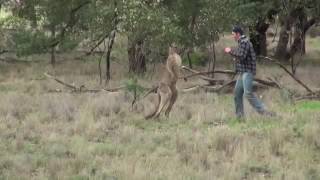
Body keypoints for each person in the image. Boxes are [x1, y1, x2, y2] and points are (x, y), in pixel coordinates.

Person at [224, 26, 274, 120]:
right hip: (243, 72)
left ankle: (266, 113)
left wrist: (230, 51)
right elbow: (241, 58)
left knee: (248, 94)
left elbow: (241, 56)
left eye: (233, 34)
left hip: (248, 72)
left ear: (238, 34)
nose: (233, 37)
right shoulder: (241, 43)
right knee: (237, 93)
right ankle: (240, 118)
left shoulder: (245, 42)